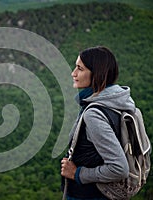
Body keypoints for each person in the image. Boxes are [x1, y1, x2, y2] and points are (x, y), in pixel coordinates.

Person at [60, 46, 135, 199]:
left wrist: (77, 173)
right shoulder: (118, 101)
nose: (73, 73)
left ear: (96, 74)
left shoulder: (94, 114)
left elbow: (120, 168)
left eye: (80, 69)